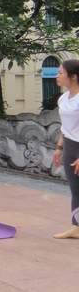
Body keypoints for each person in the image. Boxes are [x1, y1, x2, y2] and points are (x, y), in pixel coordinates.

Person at [53, 59, 79, 239]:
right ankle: (77, 227)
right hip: (70, 145)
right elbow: (65, 126)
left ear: (74, 76)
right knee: (76, 189)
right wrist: (59, 147)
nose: (57, 76)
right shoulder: (63, 98)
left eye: (61, 73)